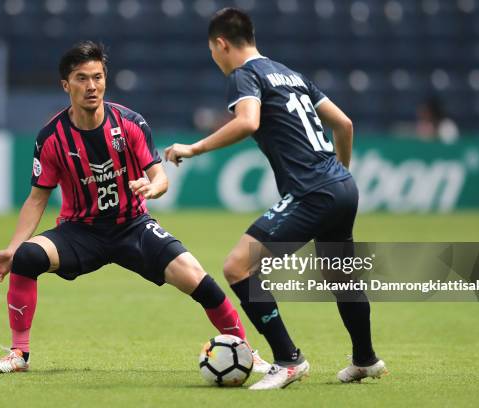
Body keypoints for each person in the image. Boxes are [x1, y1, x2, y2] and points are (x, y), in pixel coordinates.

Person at [0, 41, 269, 374]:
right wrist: (14, 248)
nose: (92, 86)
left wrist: (154, 186)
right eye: (81, 78)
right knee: (28, 257)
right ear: (66, 85)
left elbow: (159, 175)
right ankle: (19, 354)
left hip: (132, 226)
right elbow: (37, 198)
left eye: (98, 77)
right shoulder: (51, 138)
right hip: (80, 231)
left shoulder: (129, 123)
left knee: (198, 278)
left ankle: (246, 350)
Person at [165, 8, 386, 390]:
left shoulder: (244, 75)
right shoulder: (292, 74)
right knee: (341, 276)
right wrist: (340, 172)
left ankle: (288, 360)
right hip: (341, 185)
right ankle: (365, 359)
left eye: (213, 51)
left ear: (221, 43)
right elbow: (344, 123)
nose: (215, 60)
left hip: (312, 190)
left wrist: (195, 147)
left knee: (237, 267)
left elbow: (248, 121)